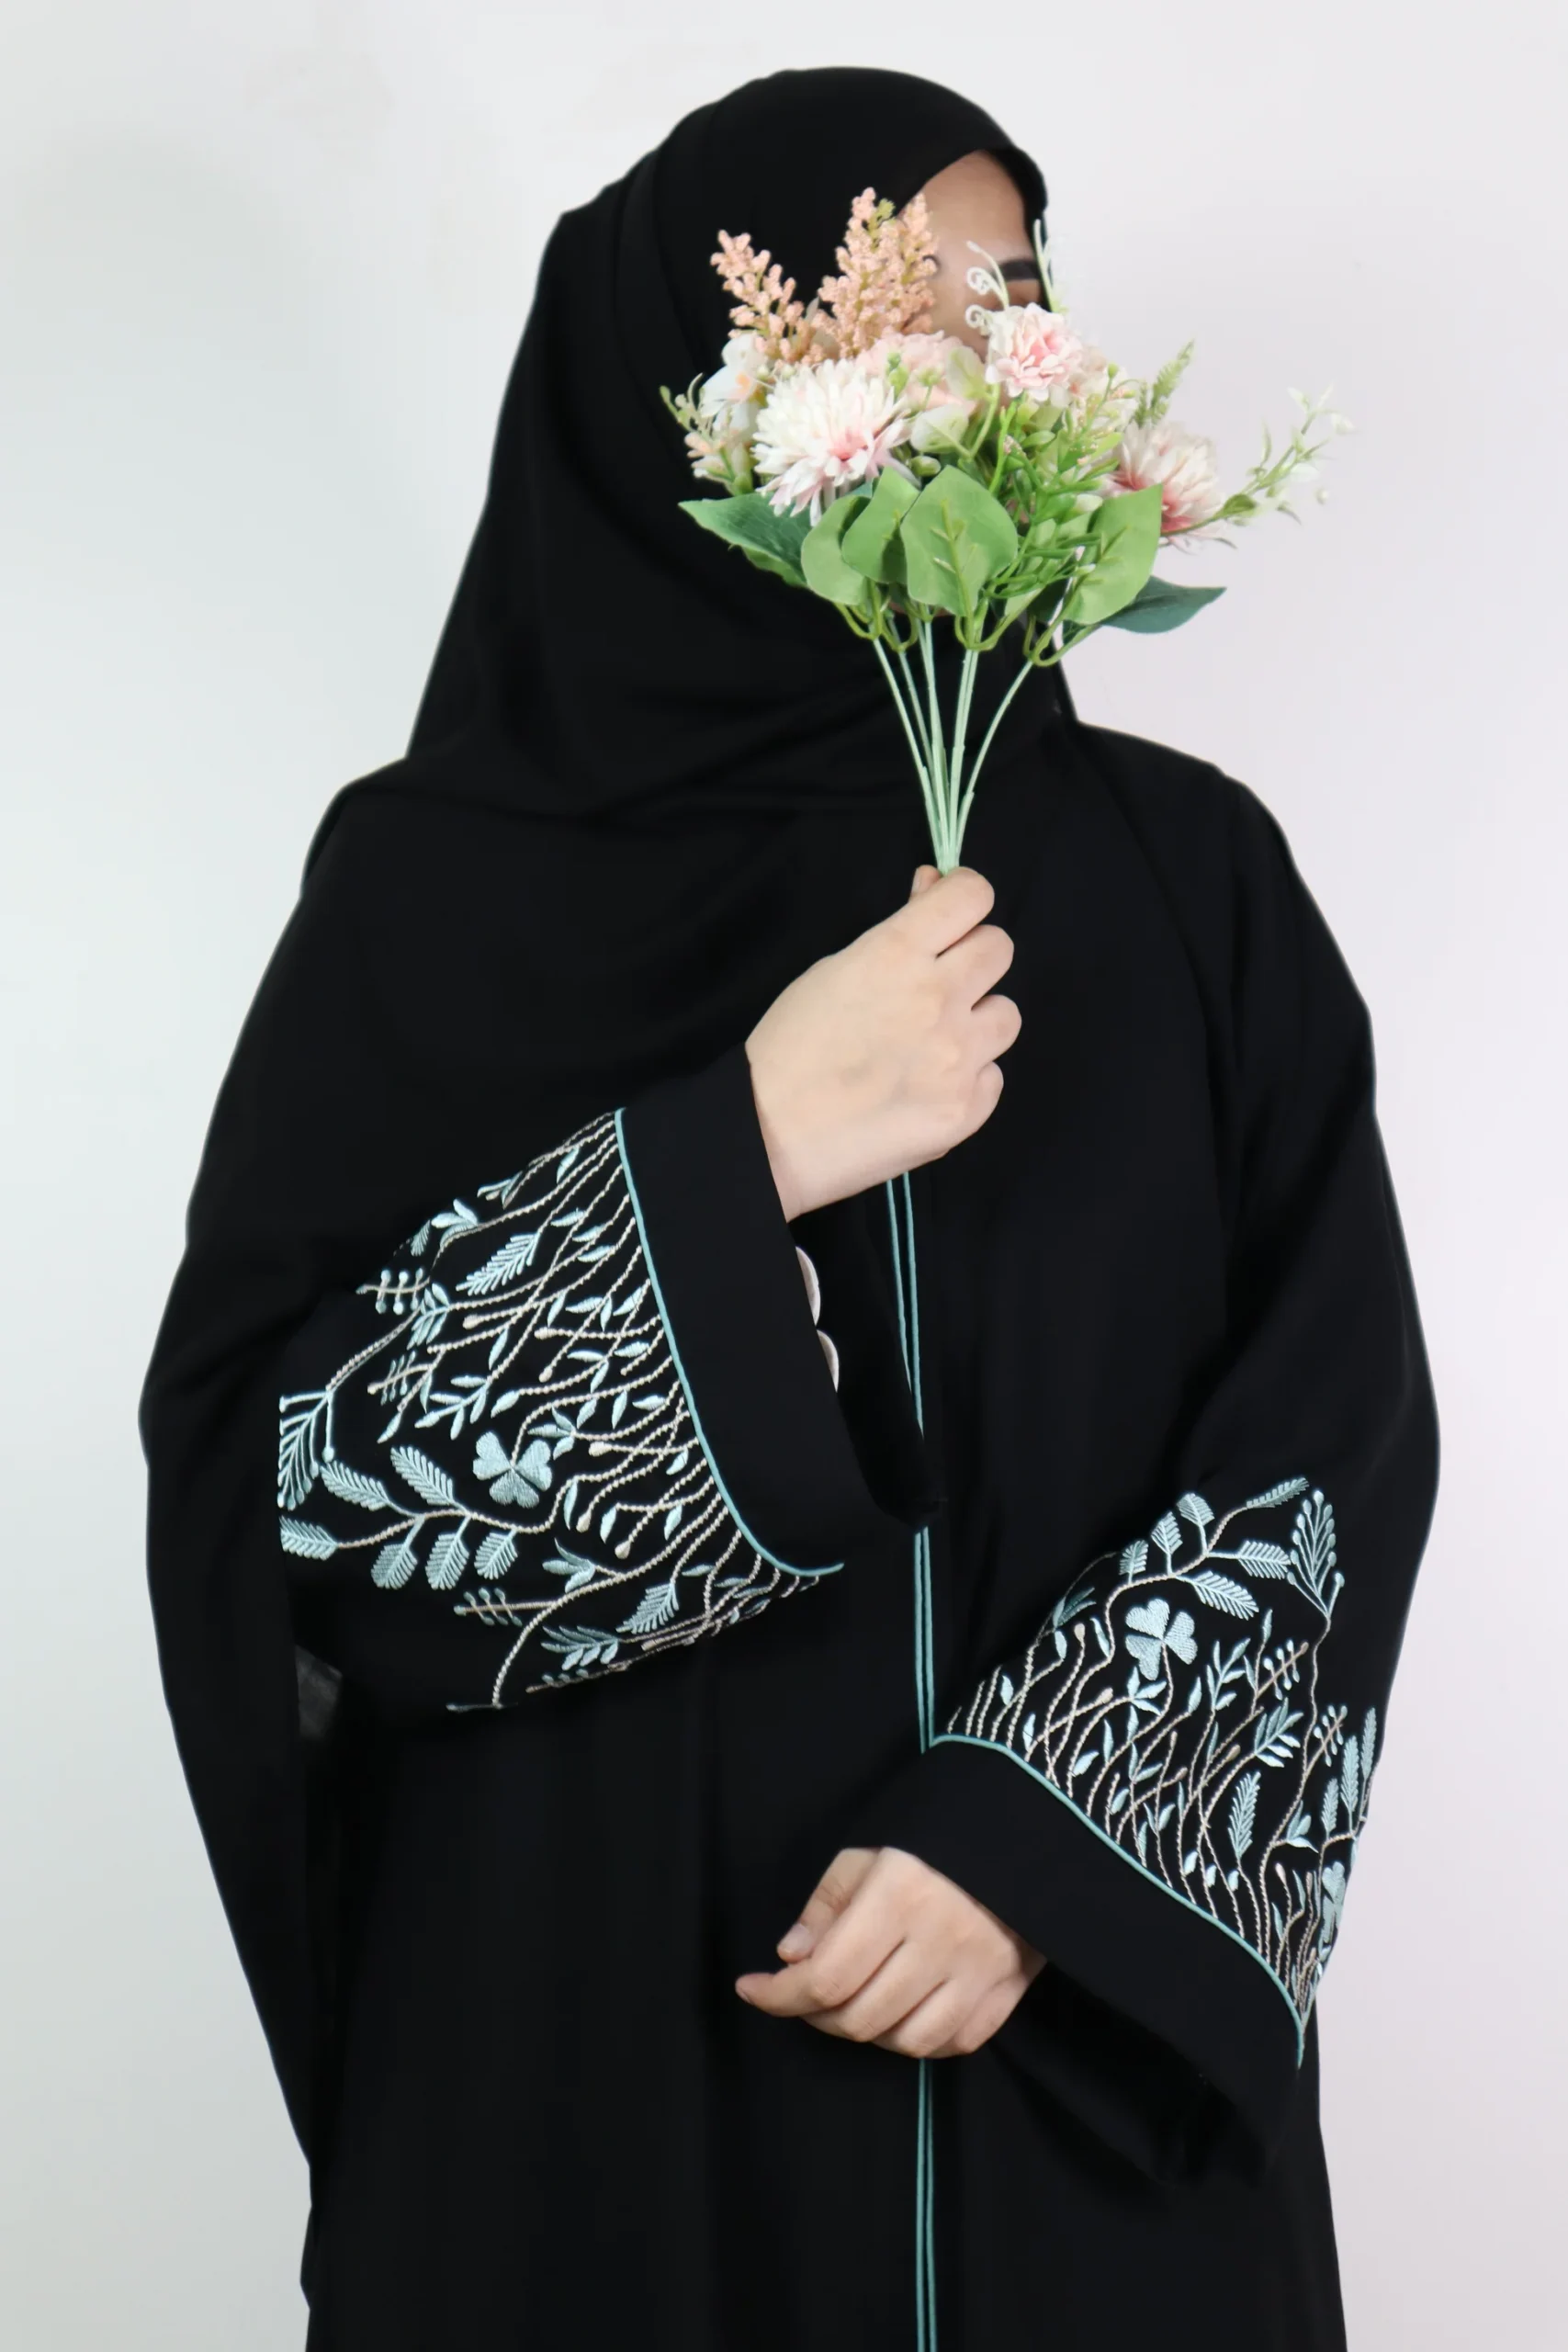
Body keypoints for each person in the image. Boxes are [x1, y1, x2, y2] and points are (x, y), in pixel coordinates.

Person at [139, 66, 1438, 2352]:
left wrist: (1042, 1846)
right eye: (893, 294)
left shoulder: (1186, 884)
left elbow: (1336, 1428)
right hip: (583, 2103)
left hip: (1062, 2105)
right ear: (695, 371)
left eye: (1009, 294)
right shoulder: (437, 895)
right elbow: (285, 1515)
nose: (976, 348)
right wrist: (731, 1153)